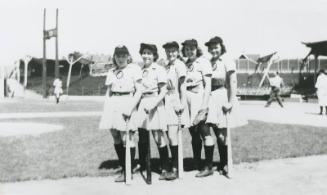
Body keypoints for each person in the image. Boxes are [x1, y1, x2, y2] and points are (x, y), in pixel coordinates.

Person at [98, 45, 143, 182]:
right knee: (116, 136)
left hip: (127, 101)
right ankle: (124, 168)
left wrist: (130, 107)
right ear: (114, 57)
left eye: (124, 55)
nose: (121, 58)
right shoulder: (112, 71)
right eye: (118, 56)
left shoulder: (134, 69)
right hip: (113, 103)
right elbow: (109, 91)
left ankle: (129, 170)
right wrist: (106, 107)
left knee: (127, 137)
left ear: (128, 56)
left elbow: (139, 90)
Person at [205, 36, 248, 177]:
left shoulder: (227, 60)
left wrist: (230, 101)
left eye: (216, 47)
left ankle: (226, 164)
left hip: (223, 96)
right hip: (211, 98)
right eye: (211, 48)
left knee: (223, 135)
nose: (213, 50)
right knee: (217, 133)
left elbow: (233, 81)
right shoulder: (209, 62)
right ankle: (220, 163)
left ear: (221, 47)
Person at [137, 43, 170, 180]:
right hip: (142, 103)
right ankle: (144, 165)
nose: (146, 56)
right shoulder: (140, 70)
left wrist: (153, 104)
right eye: (144, 53)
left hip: (155, 103)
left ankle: (165, 168)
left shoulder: (159, 69)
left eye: (149, 53)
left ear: (154, 55)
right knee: (142, 137)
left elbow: (163, 91)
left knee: (158, 137)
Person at [181, 39, 214, 177]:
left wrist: (204, 106)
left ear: (196, 49)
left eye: (192, 48)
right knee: (194, 133)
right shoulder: (185, 64)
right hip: (188, 102)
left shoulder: (203, 62)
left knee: (204, 132)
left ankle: (208, 166)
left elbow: (208, 86)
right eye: (187, 49)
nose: (189, 51)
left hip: (199, 99)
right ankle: (197, 162)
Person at [162, 41, 190, 180]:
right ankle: (174, 165)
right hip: (166, 101)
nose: (170, 53)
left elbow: (183, 86)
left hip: (175, 101)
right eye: (168, 51)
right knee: (169, 135)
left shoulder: (179, 65)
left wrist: (182, 104)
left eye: (173, 51)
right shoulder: (167, 66)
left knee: (173, 136)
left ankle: (175, 168)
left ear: (177, 52)